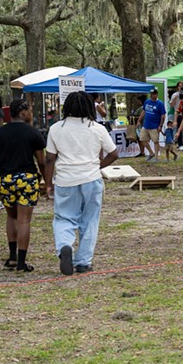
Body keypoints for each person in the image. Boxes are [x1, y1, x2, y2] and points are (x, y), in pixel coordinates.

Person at [44, 92, 118, 275]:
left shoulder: (56, 128)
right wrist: (97, 166)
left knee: (64, 218)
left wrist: (47, 183)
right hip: (91, 179)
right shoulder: (97, 128)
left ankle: (64, 247)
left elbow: (49, 159)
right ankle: (83, 261)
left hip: (65, 179)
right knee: (90, 220)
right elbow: (114, 154)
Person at [0, 99, 47, 272]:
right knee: (24, 221)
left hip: (5, 179)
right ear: (22, 112)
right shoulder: (34, 133)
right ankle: (21, 262)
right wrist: (46, 181)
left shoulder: (0, 133)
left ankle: (12, 257)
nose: (31, 113)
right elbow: (41, 161)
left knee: (11, 217)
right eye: (29, 110)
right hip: (27, 178)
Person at [139, 89, 165, 161]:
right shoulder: (147, 101)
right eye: (151, 94)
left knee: (155, 141)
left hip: (154, 126)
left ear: (156, 94)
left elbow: (163, 115)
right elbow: (143, 111)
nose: (152, 95)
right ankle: (151, 152)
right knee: (142, 139)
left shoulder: (160, 104)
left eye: (153, 94)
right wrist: (139, 120)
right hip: (146, 124)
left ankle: (156, 157)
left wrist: (160, 125)